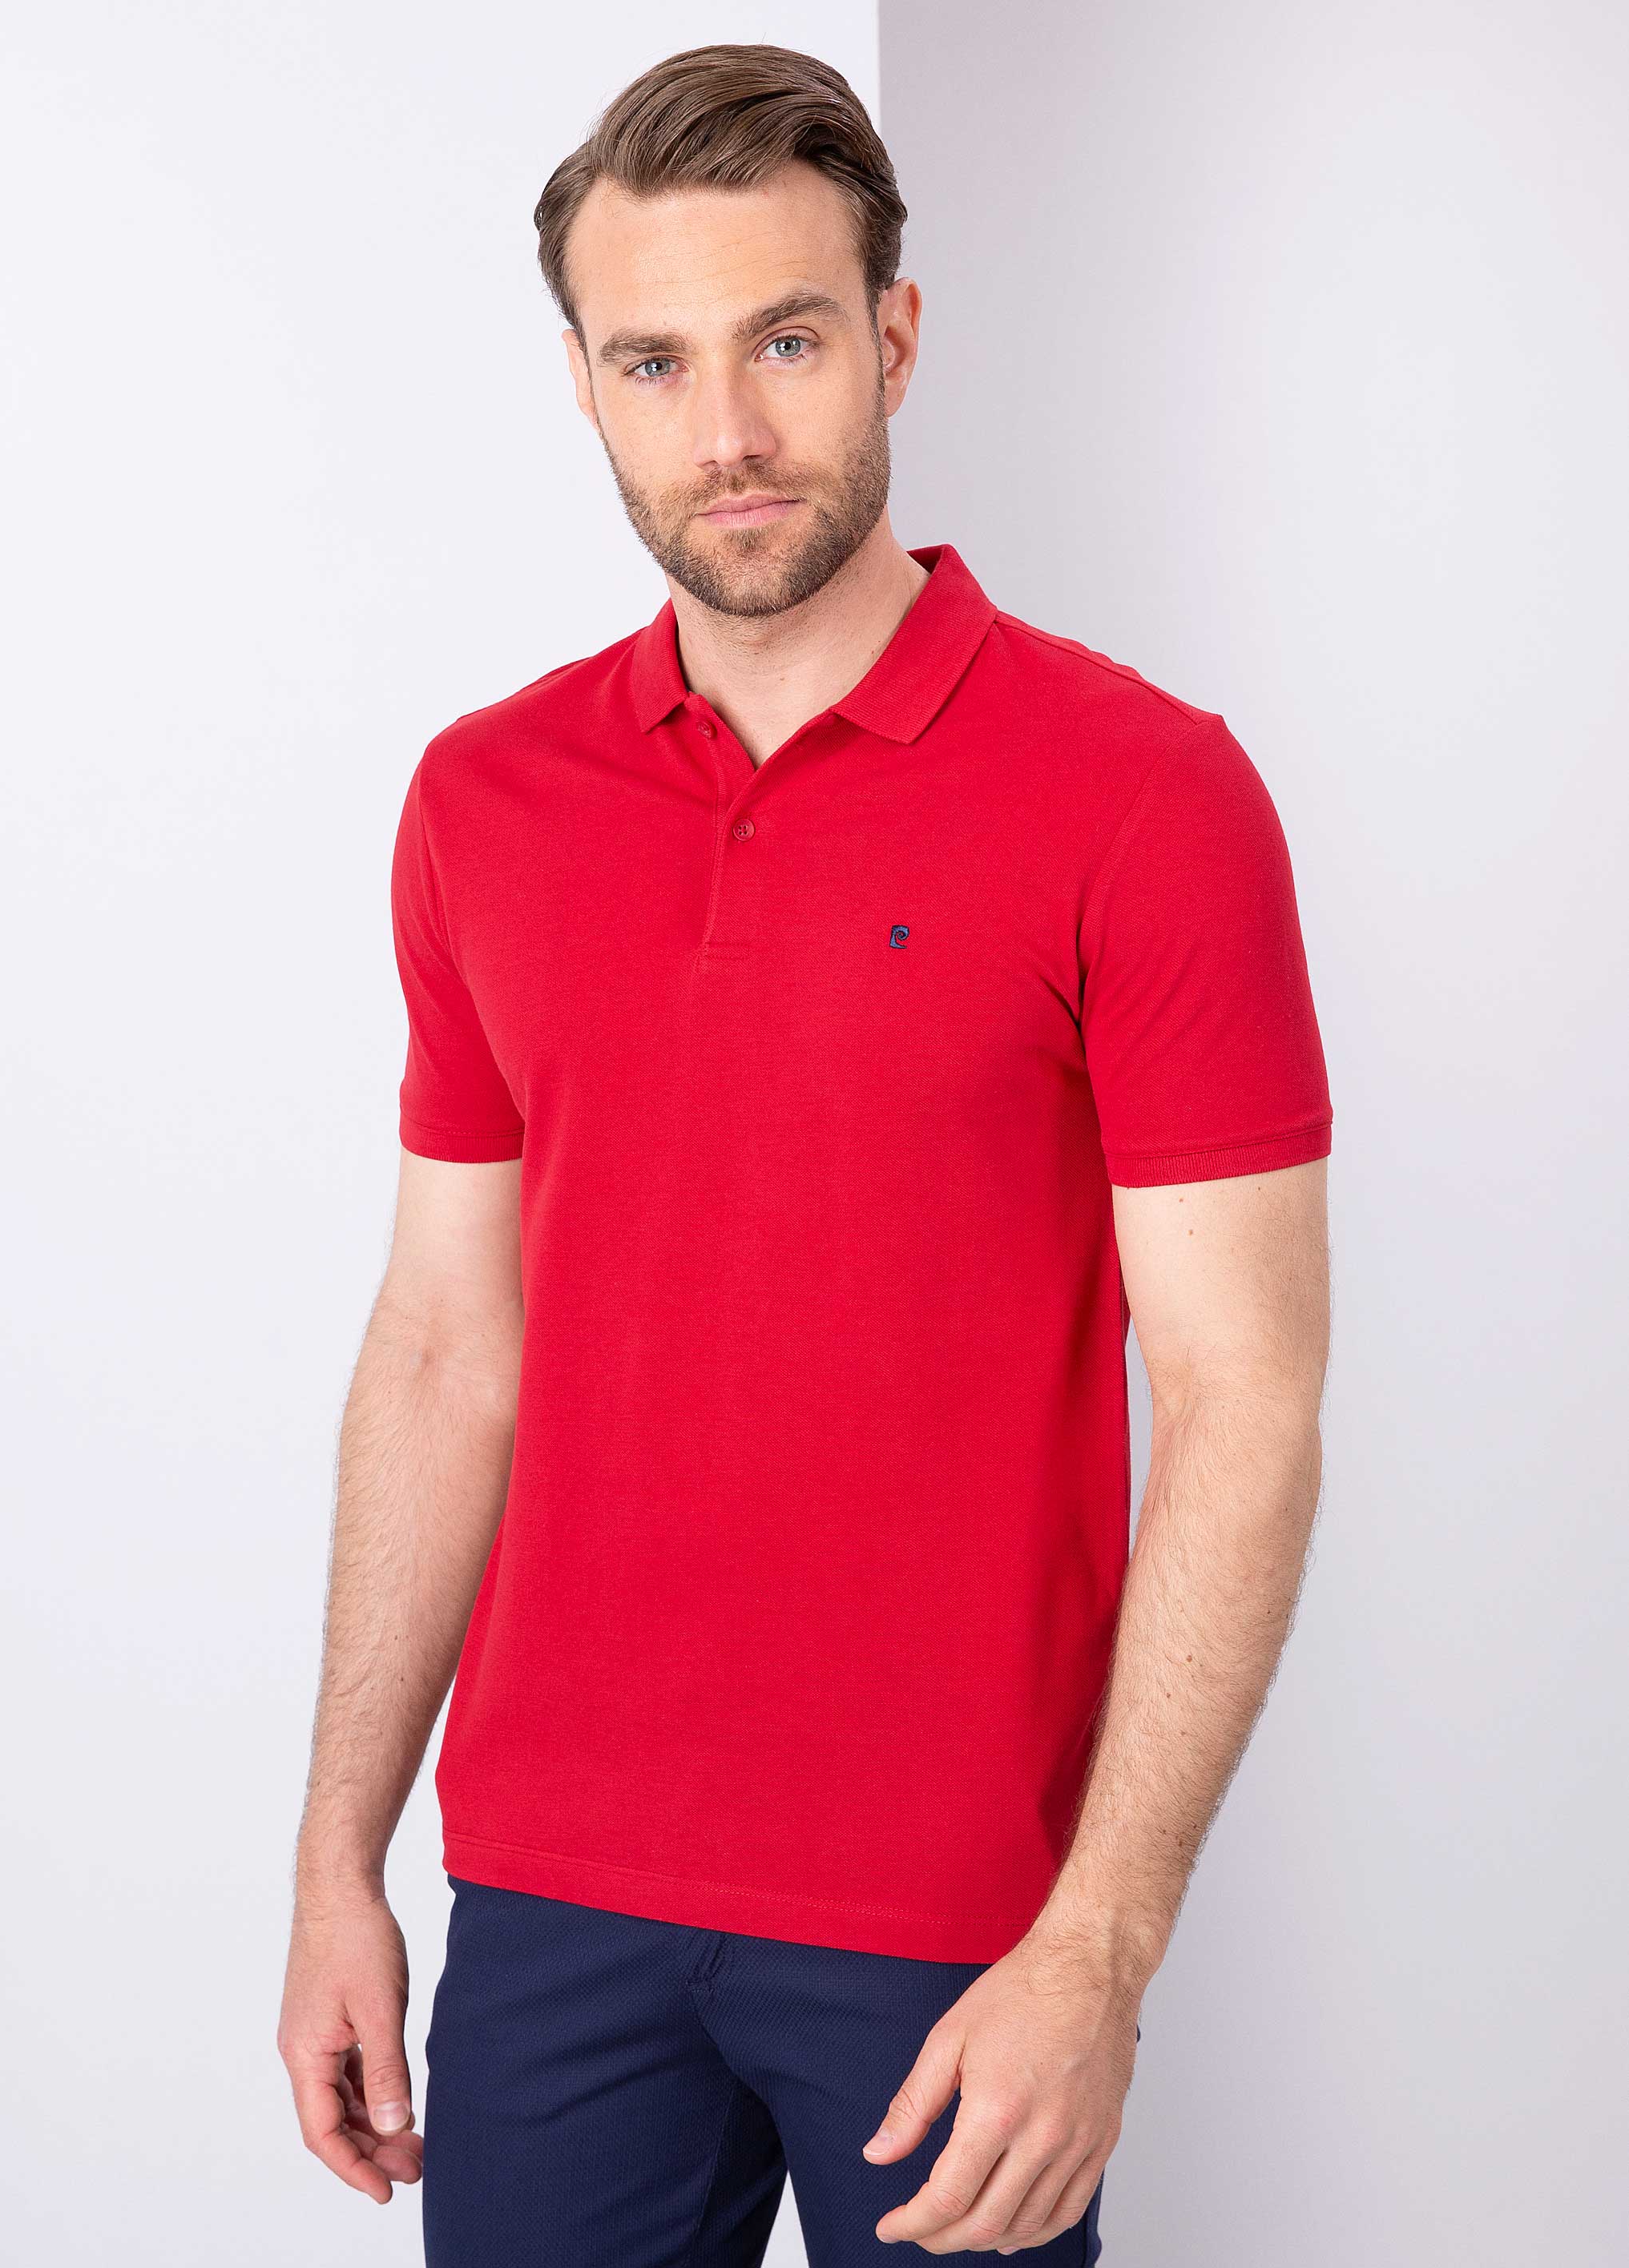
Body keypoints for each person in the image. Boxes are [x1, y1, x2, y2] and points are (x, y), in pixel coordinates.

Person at [276, 41, 1333, 2266]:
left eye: (785, 340)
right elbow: (447, 1342)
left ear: (896, 338)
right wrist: (335, 1858)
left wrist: (1098, 1948)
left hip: (956, 1932)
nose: (728, 433)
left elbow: (1243, 1397)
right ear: (583, 384)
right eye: (653, 362)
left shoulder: (1145, 796)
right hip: (549, 1895)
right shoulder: (482, 802)